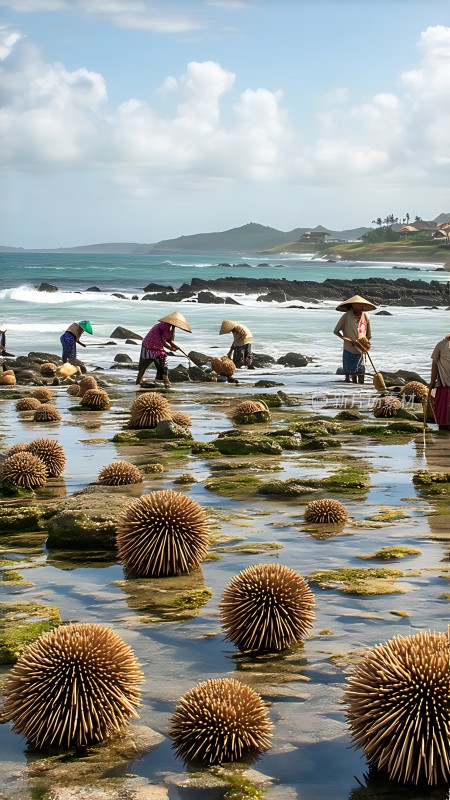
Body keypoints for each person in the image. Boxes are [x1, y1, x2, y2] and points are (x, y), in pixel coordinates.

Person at [136, 312, 192, 387]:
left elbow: (168, 340)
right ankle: (166, 381)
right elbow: (163, 341)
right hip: (150, 345)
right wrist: (171, 349)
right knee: (160, 359)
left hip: (151, 345)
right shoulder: (165, 326)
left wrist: (174, 346)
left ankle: (152, 382)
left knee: (153, 366)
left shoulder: (170, 327)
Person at [333, 295, 376, 384]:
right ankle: (349, 389)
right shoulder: (346, 316)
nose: (359, 307)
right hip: (349, 348)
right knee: (349, 373)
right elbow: (336, 331)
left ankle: (359, 389)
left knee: (360, 372)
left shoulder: (365, 316)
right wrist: (345, 339)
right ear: (352, 305)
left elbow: (368, 334)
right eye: (357, 305)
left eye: (361, 305)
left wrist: (365, 344)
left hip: (361, 349)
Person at [429, 333, 450, 430]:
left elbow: (434, 364)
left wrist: (432, 382)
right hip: (444, 383)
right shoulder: (441, 345)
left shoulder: (441, 345)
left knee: (443, 409)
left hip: (445, 384)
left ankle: (443, 426)